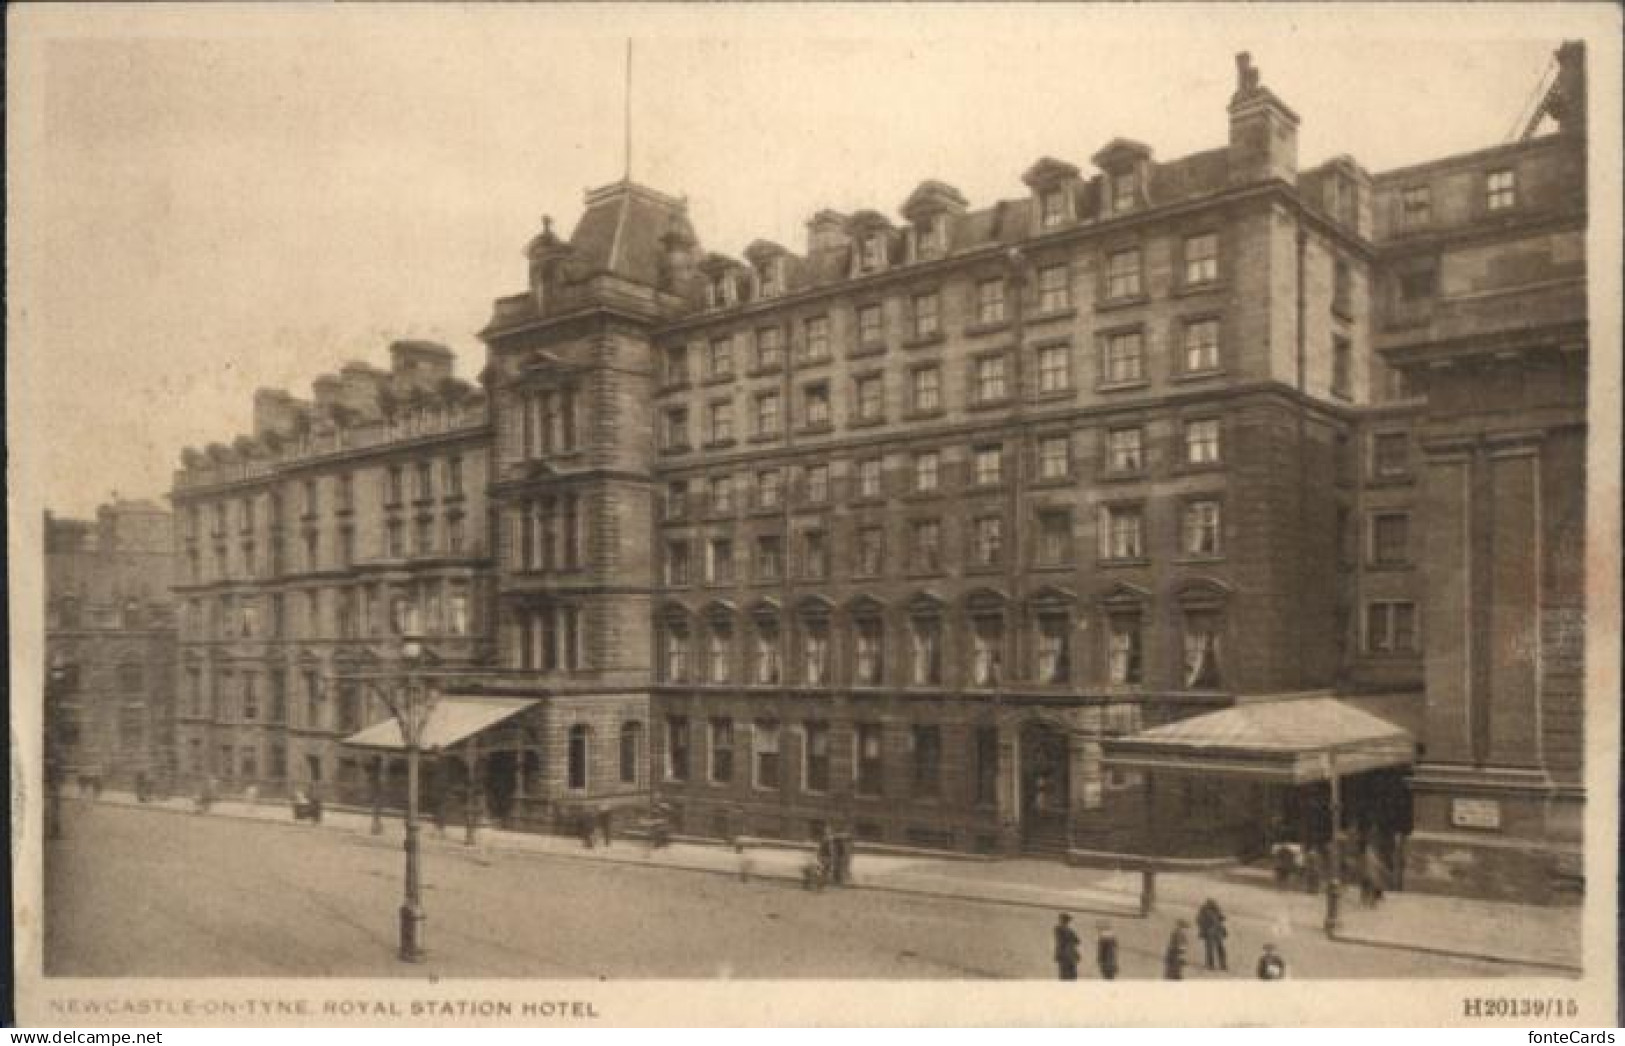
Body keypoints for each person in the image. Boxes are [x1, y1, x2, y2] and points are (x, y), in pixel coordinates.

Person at [1196, 898, 1229, 971]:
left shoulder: (1209, 910)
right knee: (1215, 949)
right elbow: (1199, 920)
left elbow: (1199, 920)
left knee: (1215, 949)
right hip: (1212, 932)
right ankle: (1217, 965)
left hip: (1214, 932)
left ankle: (1217, 965)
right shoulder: (1208, 910)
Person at [1053, 913, 1081, 981]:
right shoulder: (1070, 931)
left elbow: (1060, 942)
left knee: (1065, 975)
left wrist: (1058, 954)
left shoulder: (1058, 929)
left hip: (1065, 954)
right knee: (1071, 974)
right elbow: (1077, 941)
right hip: (1071, 954)